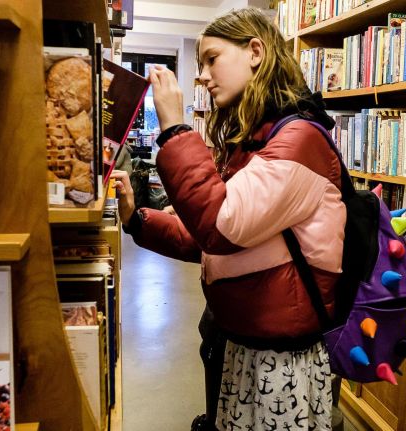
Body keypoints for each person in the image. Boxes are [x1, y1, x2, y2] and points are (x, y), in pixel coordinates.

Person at [111, 7, 344, 430]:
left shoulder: (299, 140)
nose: (202, 75)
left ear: (255, 51)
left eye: (211, 59)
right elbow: (210, 241)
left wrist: (174, 131)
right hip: (245, 345)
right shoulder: (256, 140)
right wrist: (136, 219)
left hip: (281, 359)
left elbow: (220, 226)